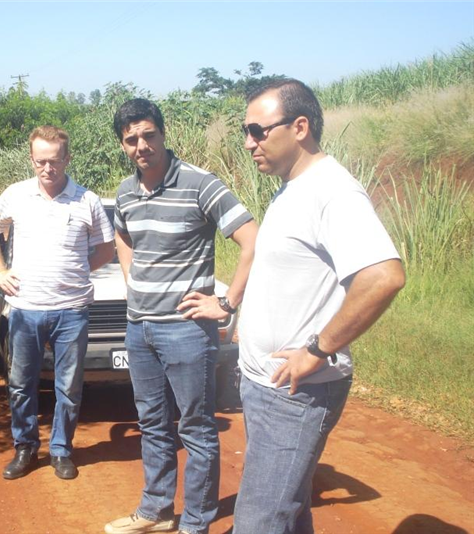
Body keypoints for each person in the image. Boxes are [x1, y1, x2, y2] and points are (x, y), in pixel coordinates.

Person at [232, 79, 405, 534]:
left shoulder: (333, 192)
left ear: (300, 126)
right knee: (288, 513)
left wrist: (317, 348)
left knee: (259, 522)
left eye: (257, 130)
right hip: (267, 387)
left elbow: (383, 276)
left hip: (296, 394)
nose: (249, 142)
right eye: (246, 132)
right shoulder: (292, 187)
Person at [104, 99, 258, 534]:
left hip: (187, 331)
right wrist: (133, 278)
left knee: (196, 429)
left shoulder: (200, 184)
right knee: (152, 423)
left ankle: (195, 523)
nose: (141, 145)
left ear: (163, 134)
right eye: (131, 139)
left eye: (149, 135)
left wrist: (226, 304)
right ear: (122, 144)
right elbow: (123, 235)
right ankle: (155, 512)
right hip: (140, 328)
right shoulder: (125, 190)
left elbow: (252, 240)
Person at [0, 125, 115, 480]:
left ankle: (61, 450)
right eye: (40, 161)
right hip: (26, 309)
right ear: (32, 159)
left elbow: (106, 248)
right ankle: (25, 448)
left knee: (68, 386)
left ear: (67, 159)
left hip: (72, 310)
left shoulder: (87, 200)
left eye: (54, 161)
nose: (47, 169)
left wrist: (76, 269)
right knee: (21, 383)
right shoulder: (16, 195)